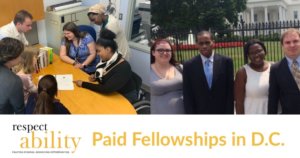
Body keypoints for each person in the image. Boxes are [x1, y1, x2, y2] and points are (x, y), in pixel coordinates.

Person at [73, 29, 139, 104]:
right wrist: (96, 77)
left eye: (99, 51)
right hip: (113, 93)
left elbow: (106, 89)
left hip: (125, 97)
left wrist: (83, 84)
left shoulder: (124, 67)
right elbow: (106, 75)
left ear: (108, 49)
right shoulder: (107, 60)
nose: (97, 54)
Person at [183, 31, 234, 114]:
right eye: (201, 43)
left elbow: (230, 92)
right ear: (196, 45)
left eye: (207, 42)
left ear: (213, 43)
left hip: (222, 112)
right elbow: (187, 94)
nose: (204, 46)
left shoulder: (226, 62)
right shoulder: (189, 65)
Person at [268, 28, 300, 114]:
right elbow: (273, 100)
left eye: (296, 41)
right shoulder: (275, 69)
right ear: (282, 45)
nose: (292, 45)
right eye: (287, 42)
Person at [235, 39, 271, 114]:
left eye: (259, 51)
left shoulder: (274, 68)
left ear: (265, 51)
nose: (256, 55)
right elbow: (239, 102)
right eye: (252, 53)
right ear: (248, 55)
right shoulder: (243, 72)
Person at [150, 39, 184, 114]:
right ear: (153, 52)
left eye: (168, 50)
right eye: (160, 50)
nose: (165, 53)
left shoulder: (180, 68)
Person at [0, 37, 25, 114]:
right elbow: (19, 110)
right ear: (11, 57)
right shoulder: (14, 81)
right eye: (20, 55)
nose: (21, 58)